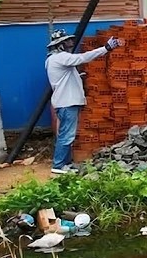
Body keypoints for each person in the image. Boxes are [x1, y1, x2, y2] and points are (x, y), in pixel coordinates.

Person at [45, 29, 122, 174]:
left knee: (67, 134)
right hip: (67, 102)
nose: (70, 43)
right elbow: (83, 58)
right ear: (59, 44)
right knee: (67, 135)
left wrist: (79, 75)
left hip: (65, 102)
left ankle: (65, 164)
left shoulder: (53, 60)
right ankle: (58, 165)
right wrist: (106, 48)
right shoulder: (60, 57)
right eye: (66, 41)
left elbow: (65, 77)